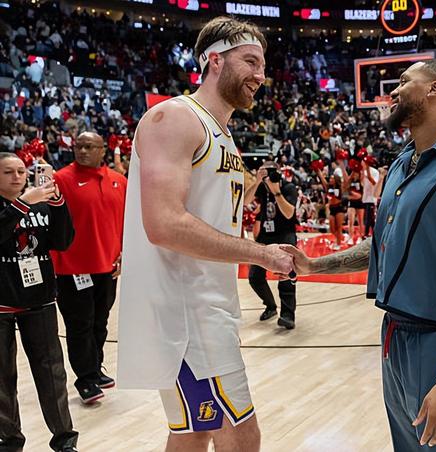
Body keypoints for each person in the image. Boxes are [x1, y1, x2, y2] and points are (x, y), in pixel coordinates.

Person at [283, 59, 436, 450]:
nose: (393, 90)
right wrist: (312, 265)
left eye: (404, 81)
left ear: (434, 89)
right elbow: (381, 243)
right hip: (395, 336)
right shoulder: (403, 165)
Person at [116, 17, 294, 452]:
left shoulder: (223, 134)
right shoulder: (175, 117)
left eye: (263, 64)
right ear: (214, 60)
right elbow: (164, 224)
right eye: (250, 61)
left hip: (207, 307)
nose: (261, 75)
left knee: (192, 432)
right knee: (242, 435)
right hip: (184, 314)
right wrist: (261, 253)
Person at [0, 153, 78, 452]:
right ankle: (10, 440)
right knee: (2, 378)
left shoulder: (41, 205)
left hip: (40, 300)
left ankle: (65, 441)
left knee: (52, 374)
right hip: (2, 303)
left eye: (21, 171)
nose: (17, 177)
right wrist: (22, 204)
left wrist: (57, 202)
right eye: (8, 172)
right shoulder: (24, 203)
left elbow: (63, 241)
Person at [51, 132, 127, 404]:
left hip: (108, 266)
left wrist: (124, 254)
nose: (82, 151)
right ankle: (85, 379)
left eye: (88, 147)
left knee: (100, 321)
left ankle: (95, 368)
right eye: (79, 146)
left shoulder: (119, 181)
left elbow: (125, 222)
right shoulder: (60, 179)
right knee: (79, 324)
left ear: (102, 150)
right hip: (72, 268)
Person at [245, 161, 299, 329]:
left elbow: (289, 213)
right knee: (255, 276)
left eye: (272, 172)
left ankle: (287, 315)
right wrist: (257, 182)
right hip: (266, 235)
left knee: (286, 274)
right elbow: (245, 201)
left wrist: (277, 192)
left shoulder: (289, 188)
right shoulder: (262, 188)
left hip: (285, 234)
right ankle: (270, 306)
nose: (269, 176)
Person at [361, 159, 380, 238]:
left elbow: (374, 182)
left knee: (369, 218)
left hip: (372, 198)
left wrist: (368, 172)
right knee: (370, 219)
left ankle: (366, 234)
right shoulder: (363, 172)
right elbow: (362, 184)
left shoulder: (375, 172)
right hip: (365, 198)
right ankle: (374, 234)